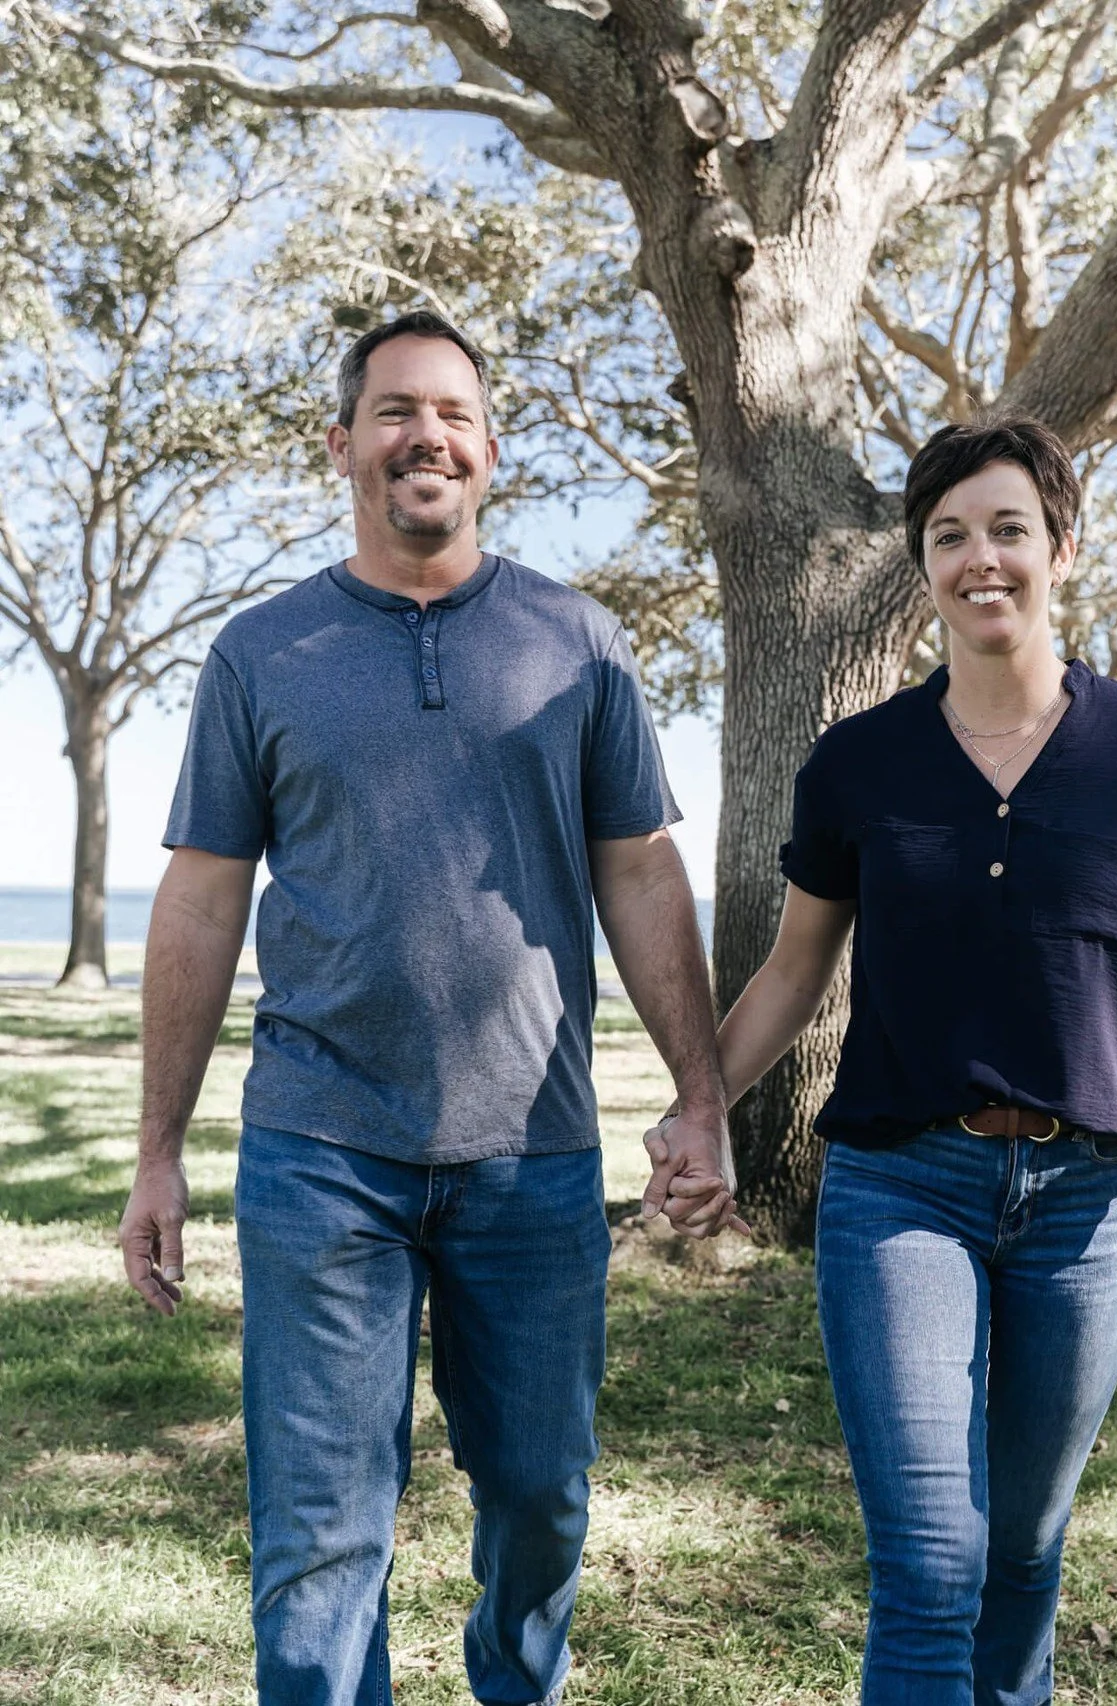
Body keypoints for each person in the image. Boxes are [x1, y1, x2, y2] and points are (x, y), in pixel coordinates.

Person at [118, 309, 742, 1706]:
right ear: (341, 444)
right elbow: (203, 898)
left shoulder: (576, 640)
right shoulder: (260, 653)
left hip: (534, 1153)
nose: (426, 435)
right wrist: (158, 1148)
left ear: (490, 449)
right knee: (320, 1541)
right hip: (319, 1149)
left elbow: (640, 873)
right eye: (395, 410)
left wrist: (699, 1097)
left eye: (452, 412)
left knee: (539, 1506)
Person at [643, 417, 1117, 1704]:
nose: (980, 557)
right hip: (899, 1191)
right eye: (948, 536)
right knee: (932, 1563)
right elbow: (792, 972)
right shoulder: (857, 762)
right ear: (921, 565)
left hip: (1090, 1209)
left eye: (1007, 529)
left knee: (1025, 1552)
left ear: (1062, 548)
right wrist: (699, 1112)